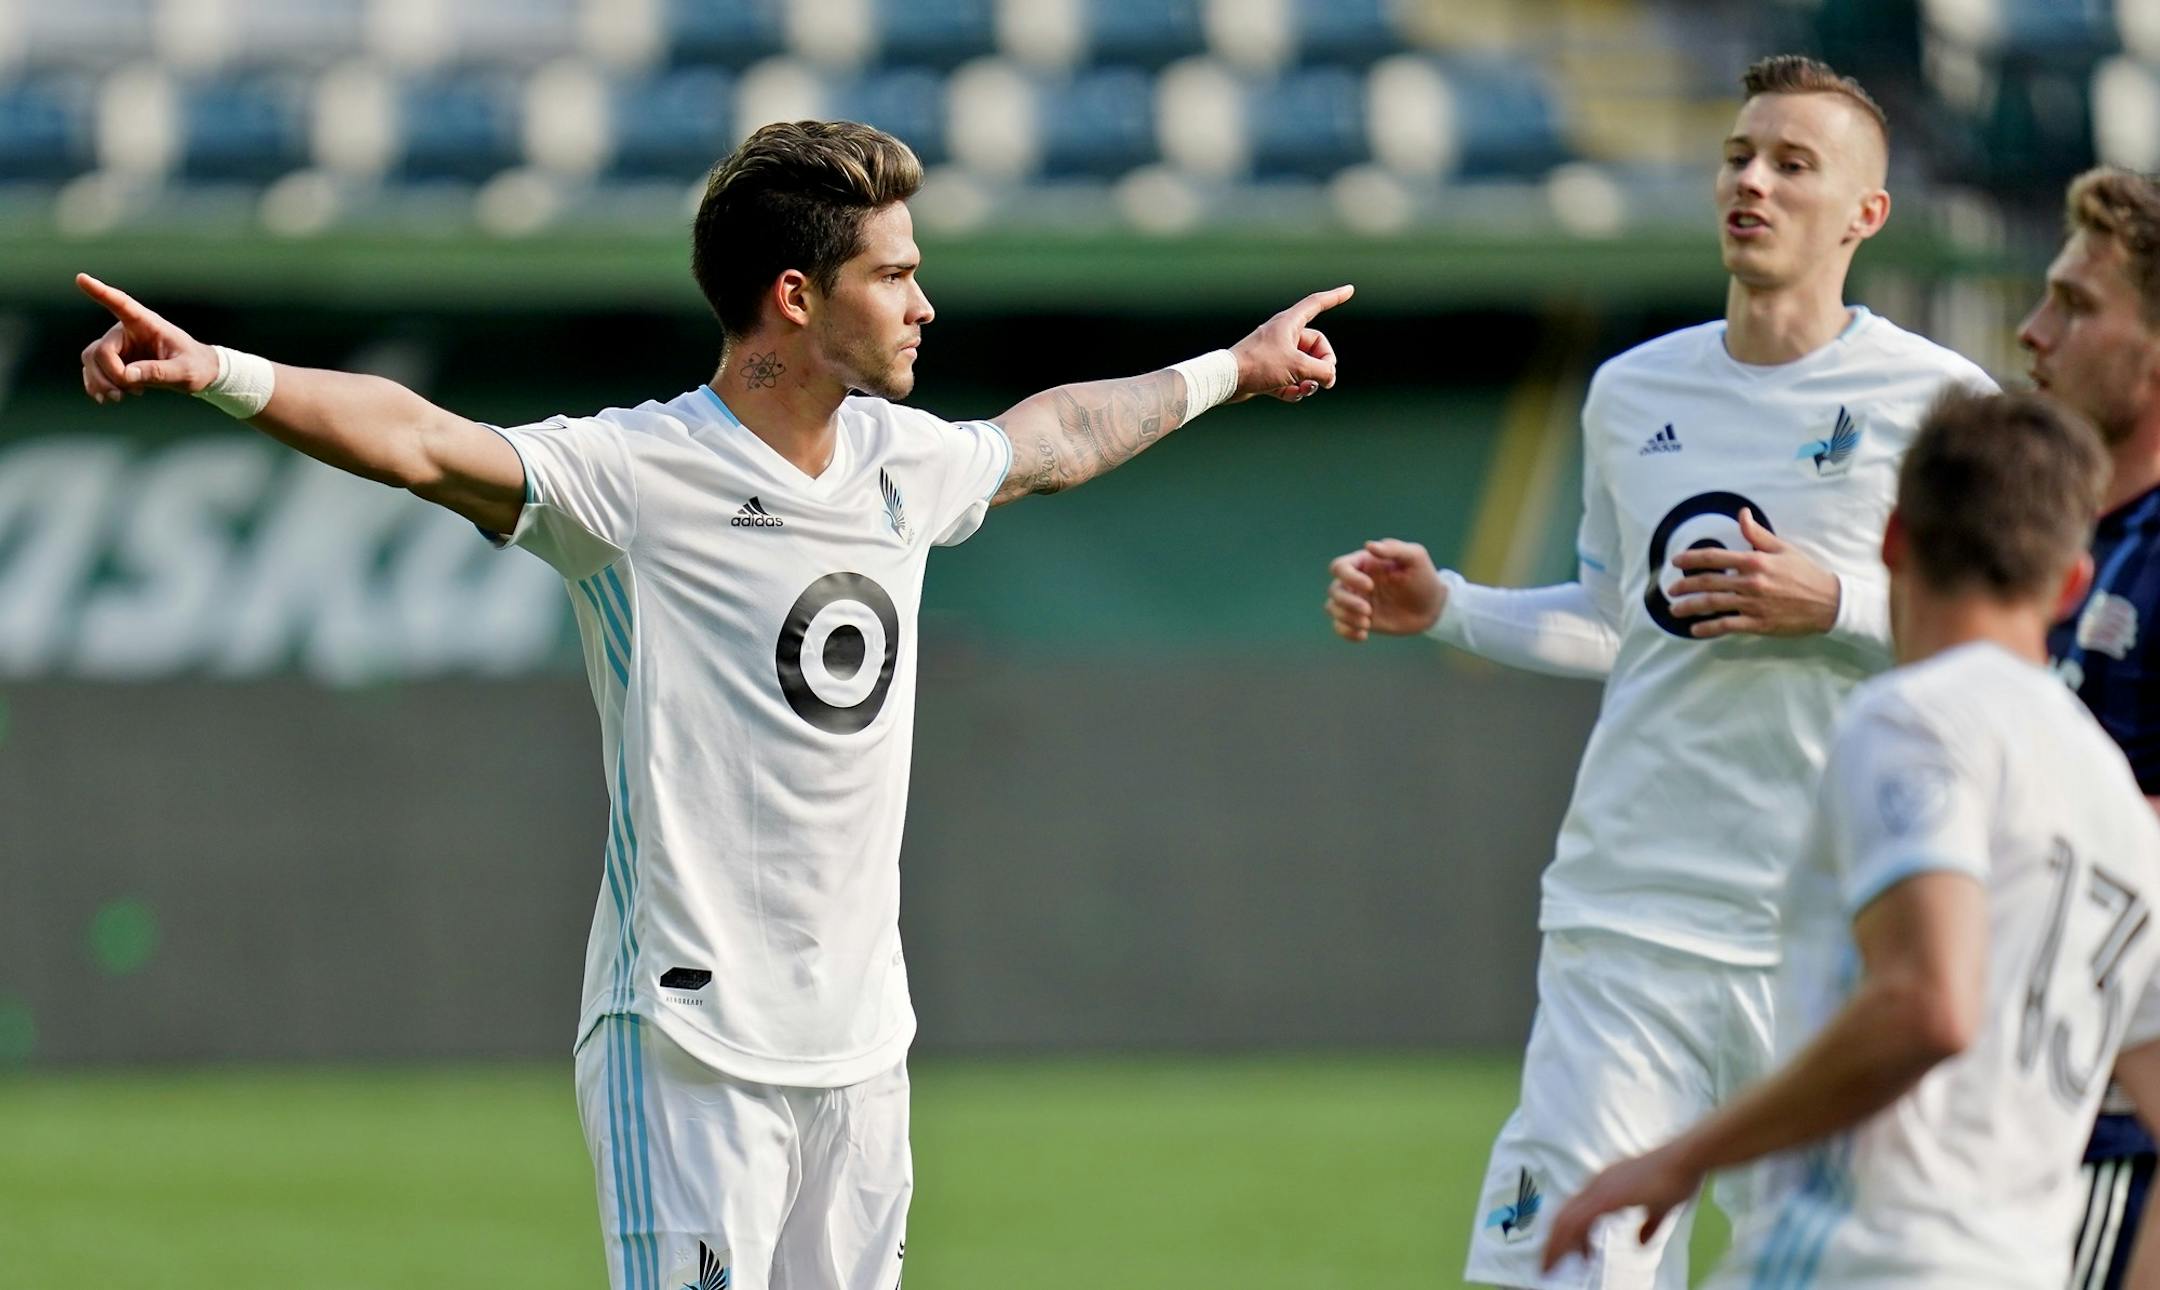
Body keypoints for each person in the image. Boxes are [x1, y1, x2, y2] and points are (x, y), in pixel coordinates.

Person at [73, 120, 1353, 1290]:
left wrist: (1233, 369)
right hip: (688, 1048)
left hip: (861, 1049)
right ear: (797, 297)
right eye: (894, 275)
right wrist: (219, 370)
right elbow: (418, 439)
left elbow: (1057, 437)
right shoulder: (635, 477)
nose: (923, 303)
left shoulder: (903, 461)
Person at [1323, 55, 1993, 1288]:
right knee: (1563, 1269)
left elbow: (2006, 645)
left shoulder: (1946, 404)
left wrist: (1838, 603)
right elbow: (1620, 617)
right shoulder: (1632, 393)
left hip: (1833, 935)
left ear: (1866, 213)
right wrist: (1452, 607)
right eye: (1739, 156)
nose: (1753, 182)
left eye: (1793, 164)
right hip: (1628, 920)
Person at [1541, 390, 2160, 1290]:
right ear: (2072, 582)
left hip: (1864, 1259)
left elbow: (1930, 1005)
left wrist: (1681, 1157)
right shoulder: (2114, 793)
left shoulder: (1914, 720)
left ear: (1893, 540)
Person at [2018, 166, 2160, 1290]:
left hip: (2119, 1128)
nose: (2034, 330)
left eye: (2075, 305)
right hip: (2028, 1116)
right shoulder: (2065, 546)